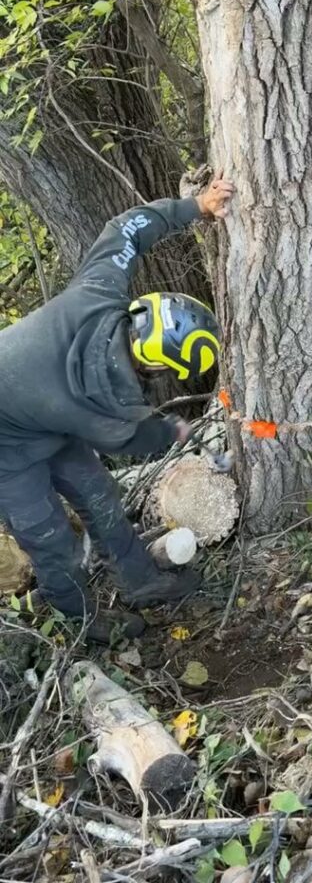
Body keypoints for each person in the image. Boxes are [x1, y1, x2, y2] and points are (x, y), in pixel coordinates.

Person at [0, 172, 234, 641]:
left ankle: (141, 581)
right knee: (51, 540)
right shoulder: (107, 404)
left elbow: (126, 229)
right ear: (159, 364)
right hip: (7, 451)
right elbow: (133, 439)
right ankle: (82, 621)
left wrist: (195, 207)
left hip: (39, 417)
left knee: (100, 496)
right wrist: (176, 430)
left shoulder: (99, 293)